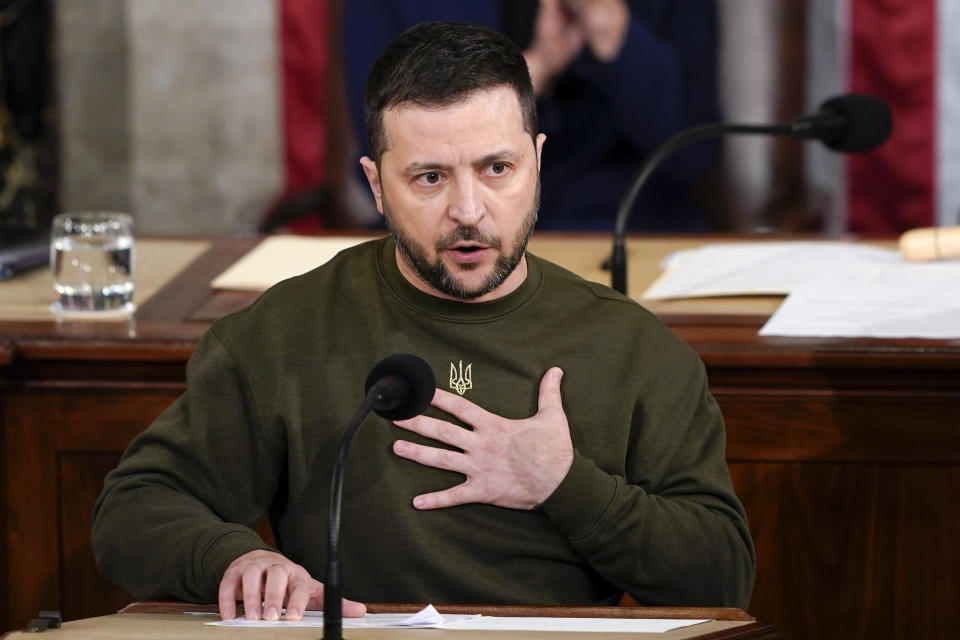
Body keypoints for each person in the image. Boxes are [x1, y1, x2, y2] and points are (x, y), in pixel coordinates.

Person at [92, 22, 754, 622]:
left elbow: (723, 577)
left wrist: (562, 483)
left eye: (498, 169)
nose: (469, 210)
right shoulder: (281, 332)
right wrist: (234, 559)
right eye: (430, 178)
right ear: (376, 185)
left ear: (538, 162)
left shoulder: (635, 350)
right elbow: (135, 508)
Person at [343, 0, 721, 231]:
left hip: (624, 226)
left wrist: (611, 29)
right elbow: (381, 149)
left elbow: (693, 154)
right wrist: (534, 71)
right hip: (452, 226)